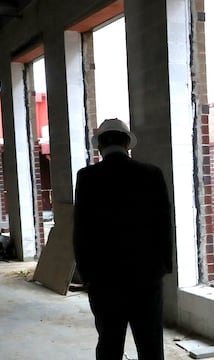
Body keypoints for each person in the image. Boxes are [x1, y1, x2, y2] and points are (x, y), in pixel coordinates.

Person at [73, 118, 174, 360]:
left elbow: (81, 229)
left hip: (104, 279)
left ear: (99, 147)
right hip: (146, 277)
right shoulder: (151, 174)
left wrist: (85, 274)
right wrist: (164, 266)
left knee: (109, 342)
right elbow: (163, 224)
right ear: (127, 144)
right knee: (150, 344)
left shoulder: (87, 177)